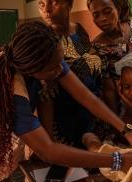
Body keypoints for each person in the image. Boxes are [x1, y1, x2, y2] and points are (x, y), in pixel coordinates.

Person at [0, 21, 132, 182]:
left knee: (16, 173)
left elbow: (86, 97)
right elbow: (49, 151)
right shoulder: (13, 95)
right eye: (54, 68)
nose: (61, 70)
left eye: (59, 61)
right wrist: (117, 161)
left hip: (9, 138)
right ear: (33, 70)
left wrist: (126, 130)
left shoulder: (47, 56)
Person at [38, 0, 102, 147]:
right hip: (63, 117)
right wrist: (48, 139)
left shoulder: (79, 30)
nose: (47, 10)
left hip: (94, 108)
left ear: (70, 5)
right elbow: (45, 93)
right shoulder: (43, 39)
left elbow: (90, 61)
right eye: (41, 4)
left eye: (54, 3)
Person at [87, 0, 132, 114]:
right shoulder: (97, 49)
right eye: (96, 15)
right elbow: (109, 90)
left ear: (118, 8)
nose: (102, 18)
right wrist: (119, 124)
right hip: (126, 105)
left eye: (107, 11)